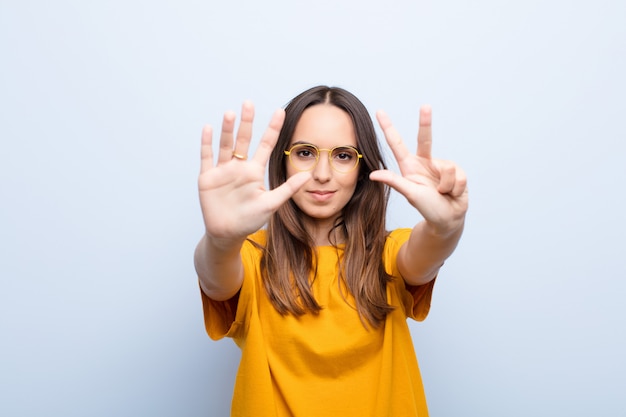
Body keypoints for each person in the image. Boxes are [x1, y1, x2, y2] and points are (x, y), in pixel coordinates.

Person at [194, 85, 468, 417]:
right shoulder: (252, 257)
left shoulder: (389, 255)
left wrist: (447, 225)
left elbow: (429, 250)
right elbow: (215, 275)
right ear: (284, 161)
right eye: (305, 153)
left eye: (342, 155)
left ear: (362, 168)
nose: (322, 175)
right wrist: (221, 240)